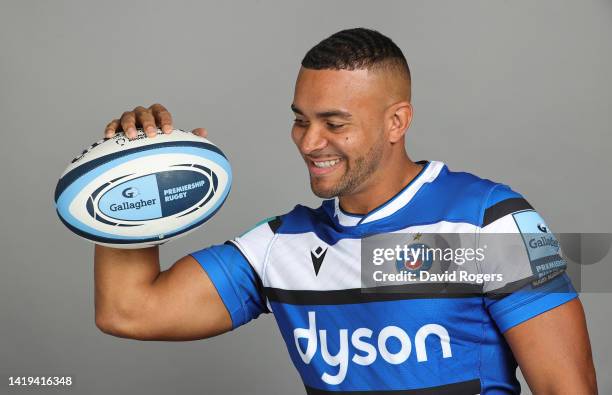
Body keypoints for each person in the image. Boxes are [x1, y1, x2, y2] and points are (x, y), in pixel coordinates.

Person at [95, 28, 597, 394]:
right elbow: (129, 310)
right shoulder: (282, 245)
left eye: (334, 123)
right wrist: (128, 180)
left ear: (396, 121)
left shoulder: (491, 222)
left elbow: (565, 387)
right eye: (301, 121)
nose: (311, 142)